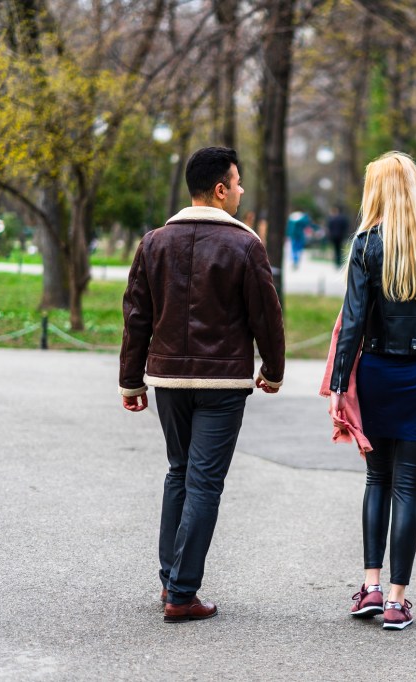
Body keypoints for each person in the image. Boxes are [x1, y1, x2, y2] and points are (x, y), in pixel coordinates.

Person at [119, 146, 286, 623]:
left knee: (179, 472)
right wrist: (272, 370)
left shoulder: (153, 243)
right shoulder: (246, 245)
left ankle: (170, 577)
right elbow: (266, 316)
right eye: (236, 183)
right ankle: (182, 592)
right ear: (218, 190)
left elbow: (136, 317)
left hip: (168, 379)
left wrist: (131, 382)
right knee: (205, 483)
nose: (240, 191)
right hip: (222, 381)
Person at [329, 151, 416, 631]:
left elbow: (352, 324)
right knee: (409, 486)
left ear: (378, 191)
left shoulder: (366, 246)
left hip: (378, 375)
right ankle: (396, 599)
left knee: (376, 481)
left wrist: (339, 384)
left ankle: (368, 585)